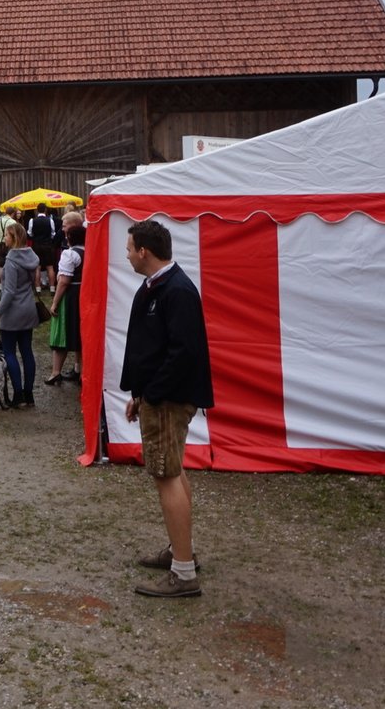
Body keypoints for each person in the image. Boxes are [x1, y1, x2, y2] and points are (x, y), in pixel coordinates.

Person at [121, 218, 214, 598]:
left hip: (169, 399)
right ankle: (180, 551)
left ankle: (184, 573)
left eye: (129, 249)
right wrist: (140, 394)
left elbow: (183, 353)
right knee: (172, 471)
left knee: (166, 475)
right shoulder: (160, 287)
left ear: (144, 251)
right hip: (160, 397)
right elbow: (152, 349)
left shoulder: (176, 291)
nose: (127, 256)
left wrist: (153, 394)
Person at [0, 220, 40, 408]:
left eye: (6, 235)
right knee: (27, 351)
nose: (4, 238)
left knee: (10, 352)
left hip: (13, 311)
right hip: (28, 307)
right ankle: (29, 394)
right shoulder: (31, 257)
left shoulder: (12, 261)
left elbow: (9, 292)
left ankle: (19, 394)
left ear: (14, 238)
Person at [47, 221, 86, 384]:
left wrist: (55, 302)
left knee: (61, 332)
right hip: (85, 294)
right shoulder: (89, 251)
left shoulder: (69, 254)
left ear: (70, 238)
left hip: (70, 295)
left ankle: (56, 372)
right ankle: (80, 370)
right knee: (80, 332)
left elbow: (64, 281)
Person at [26, 203, 58, 292]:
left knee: (37, 267)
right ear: (45, 210)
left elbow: (30, 233)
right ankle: (52, 288)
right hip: (47, 245)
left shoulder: (32, 220)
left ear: (37, 210)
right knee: (50, 267)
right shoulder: (50, 220)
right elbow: (53, 234)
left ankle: (38, 288)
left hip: (36, 245)